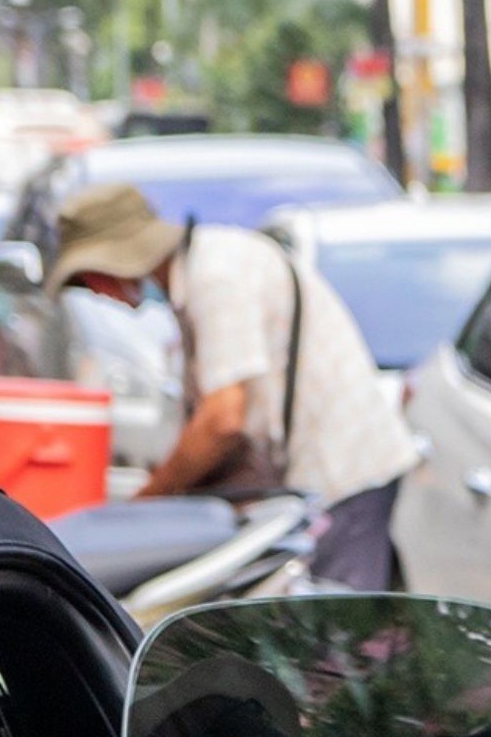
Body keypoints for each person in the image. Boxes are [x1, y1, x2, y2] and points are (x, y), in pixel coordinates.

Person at [46, 183, 419, 590]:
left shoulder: (217, 275)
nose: (97, 293)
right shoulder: (197, 274)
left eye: (90, 279)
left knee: (335, 616)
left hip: (343, 474)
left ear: (114, 262)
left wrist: (148, 501)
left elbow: (222, 420)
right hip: (308, 476)